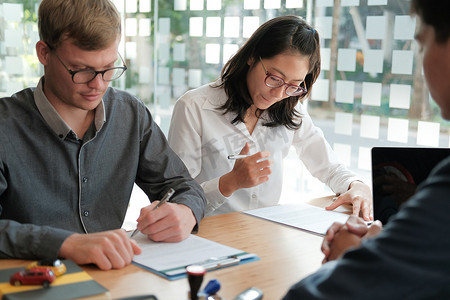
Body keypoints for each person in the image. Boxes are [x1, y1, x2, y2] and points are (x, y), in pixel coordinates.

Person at [0, 0, 206, 271]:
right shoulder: (6, 126)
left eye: (109, 67)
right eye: (82, 69)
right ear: (44, 53)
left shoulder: (130, 114)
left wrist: (185, 211)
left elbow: (183, 185)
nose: (98, 85)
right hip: (31, 280)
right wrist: (66, 244)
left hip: (115, 276)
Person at [283, 0, 450, 298]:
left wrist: (355, 253)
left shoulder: (291, 112)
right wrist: (385, 242)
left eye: (422, 44)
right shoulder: (196, 106)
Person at [168, 15, 372, 220]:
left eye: (294, 85)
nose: (278, 94)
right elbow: (176, 198)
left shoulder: (290, 109)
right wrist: (230, 182)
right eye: (274, 78)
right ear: (252, 57)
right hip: (206, 232)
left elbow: (329, 167)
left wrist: (356, 185)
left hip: (265, 230)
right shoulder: (194, 107)